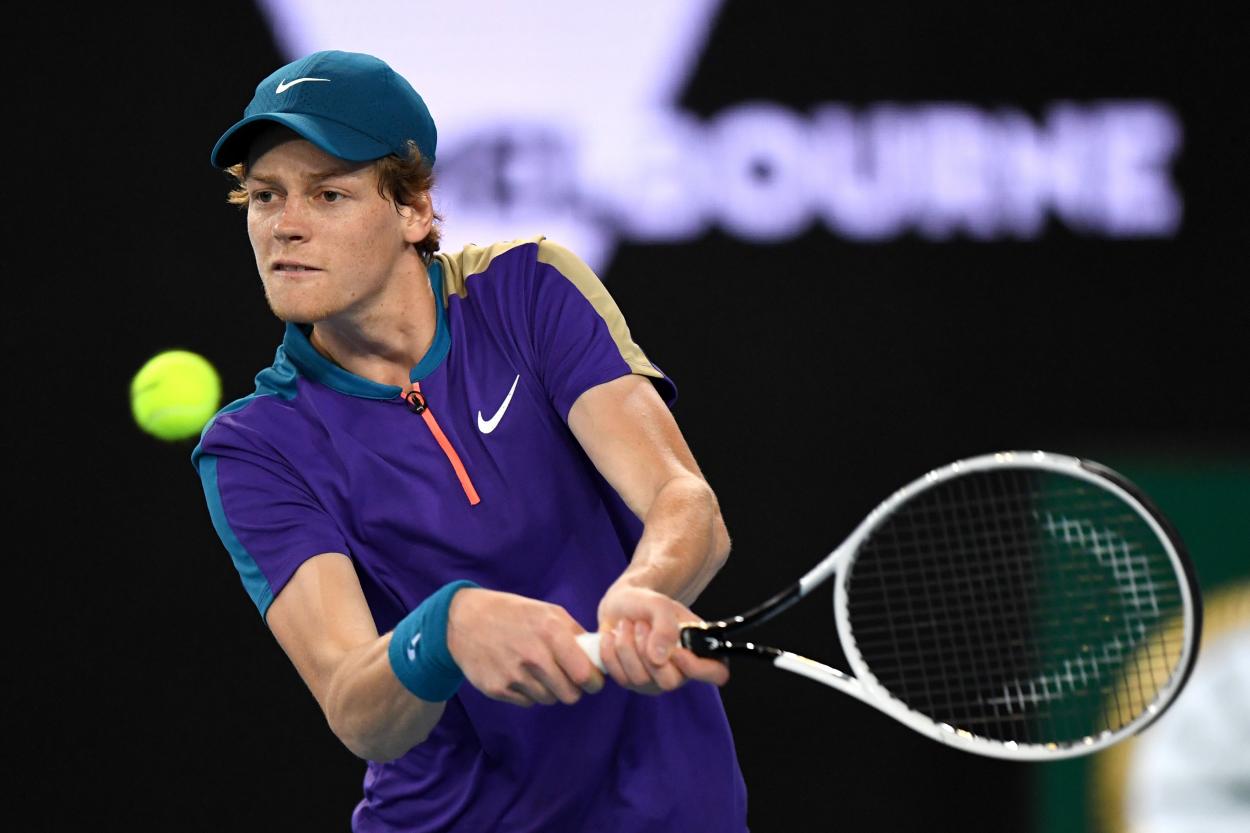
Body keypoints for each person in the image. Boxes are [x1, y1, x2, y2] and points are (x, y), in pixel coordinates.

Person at [192, 49, 748, 832]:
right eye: (264, 195)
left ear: (414, 209)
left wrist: (643, 588)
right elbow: (357, 707)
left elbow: (683, 501)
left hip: (668, 811)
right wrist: (441, 632)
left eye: (328, 193)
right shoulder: (257, 446)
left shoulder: (529, 291)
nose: (285, 225)